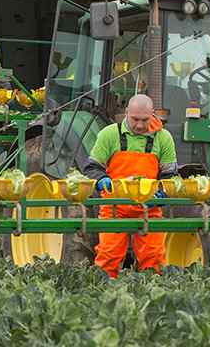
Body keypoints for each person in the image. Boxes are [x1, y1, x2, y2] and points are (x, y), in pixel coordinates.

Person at [83, 94, 178, 279]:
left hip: (149, 209)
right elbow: (91, 168)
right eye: (135, 119)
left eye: (145, 120)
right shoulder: (109, 134)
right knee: (108, 258)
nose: (140, 125)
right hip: (114, 207)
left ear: (153, 115)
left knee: (154, 259)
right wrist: (101, 179)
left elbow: (170, 177)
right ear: (126, 113)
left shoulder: (164, 138)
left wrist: (162, 194)